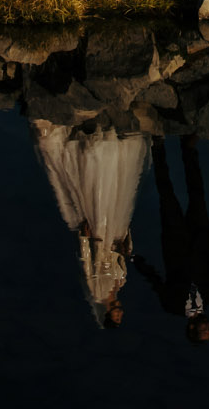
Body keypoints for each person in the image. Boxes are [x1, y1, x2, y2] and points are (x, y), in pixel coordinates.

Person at [31, 120, 150, 328]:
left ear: (106, 313)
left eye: (116, 316)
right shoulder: (120, 283)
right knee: (114, 189)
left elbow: (87, 264)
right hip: (114, 231)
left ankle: (89, 140)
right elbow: (123, 255)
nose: (119, 312)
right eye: (120, 315)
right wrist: (126, 245)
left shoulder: (98, 291)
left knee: (98, 193)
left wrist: (85, 239)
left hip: (98, 235)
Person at [136, 134, 209, 343]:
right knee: (197, 193)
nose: (207, 326)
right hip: (200, 239)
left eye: (204, 330)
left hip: (175, 243)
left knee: (167, 195)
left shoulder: (171, 305)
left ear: (192, 329)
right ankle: (188, 148)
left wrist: (135, 259)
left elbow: (155, 280)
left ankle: (158, 147)